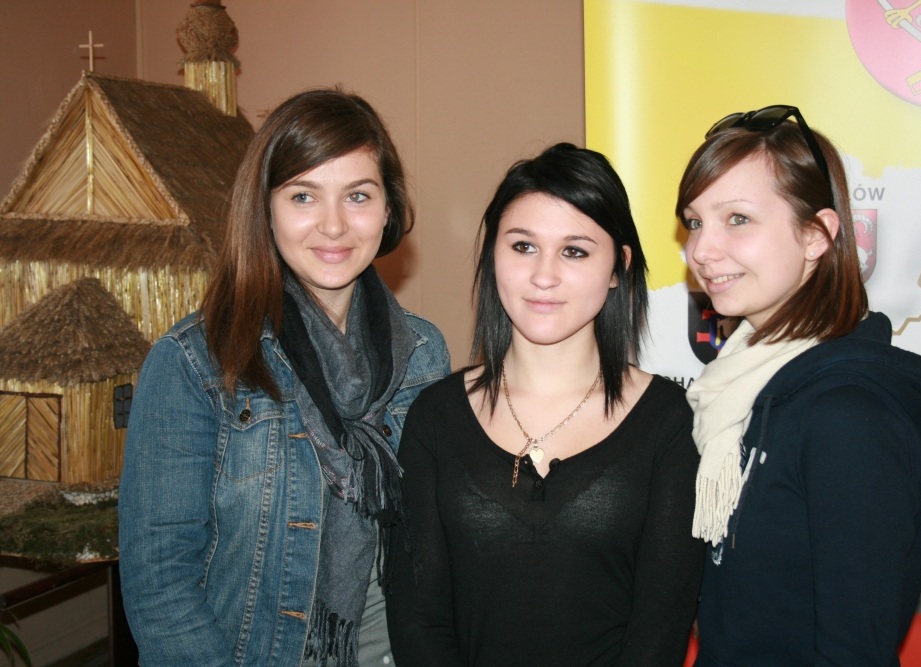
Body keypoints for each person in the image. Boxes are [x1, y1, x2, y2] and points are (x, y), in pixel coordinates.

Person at [118, 88, 450, 667]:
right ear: (265, 210)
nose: (334, 225)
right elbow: (161, 587)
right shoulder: (196, 364)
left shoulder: (423, 354)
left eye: (358, 195)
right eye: (303, 196)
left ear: (388, 209)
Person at [386, 142, 704, 666]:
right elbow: (418, 619)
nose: (544, 275)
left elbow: (660, 632)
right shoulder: (435, 417)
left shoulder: (668, 421)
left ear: (618, 266)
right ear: (493, 255)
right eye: (523, 246)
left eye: (575, 251)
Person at [677, 105, 921, 666]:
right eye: (694, 222)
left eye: (737, 219)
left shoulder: (849, 414)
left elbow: (855, 650)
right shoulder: (745, 383)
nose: (701, 250)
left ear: (816, 236)